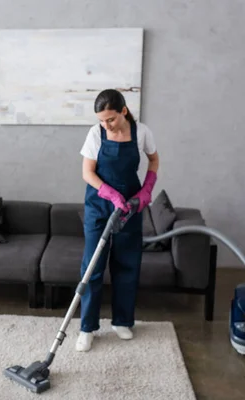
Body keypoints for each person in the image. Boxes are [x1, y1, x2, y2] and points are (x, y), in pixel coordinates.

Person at [76, 89, 159, 352]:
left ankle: (122, 321)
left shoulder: (142, 132)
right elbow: (87, 173)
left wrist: (146, 190)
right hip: (99, 206)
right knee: (93, 266)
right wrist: (110, 194)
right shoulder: (95, 134)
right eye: (101, 120)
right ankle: (87, 328)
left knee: (127, 263)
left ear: (123, 111)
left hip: (130, 207)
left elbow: (154, 160)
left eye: (110, 119)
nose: (105, 124)